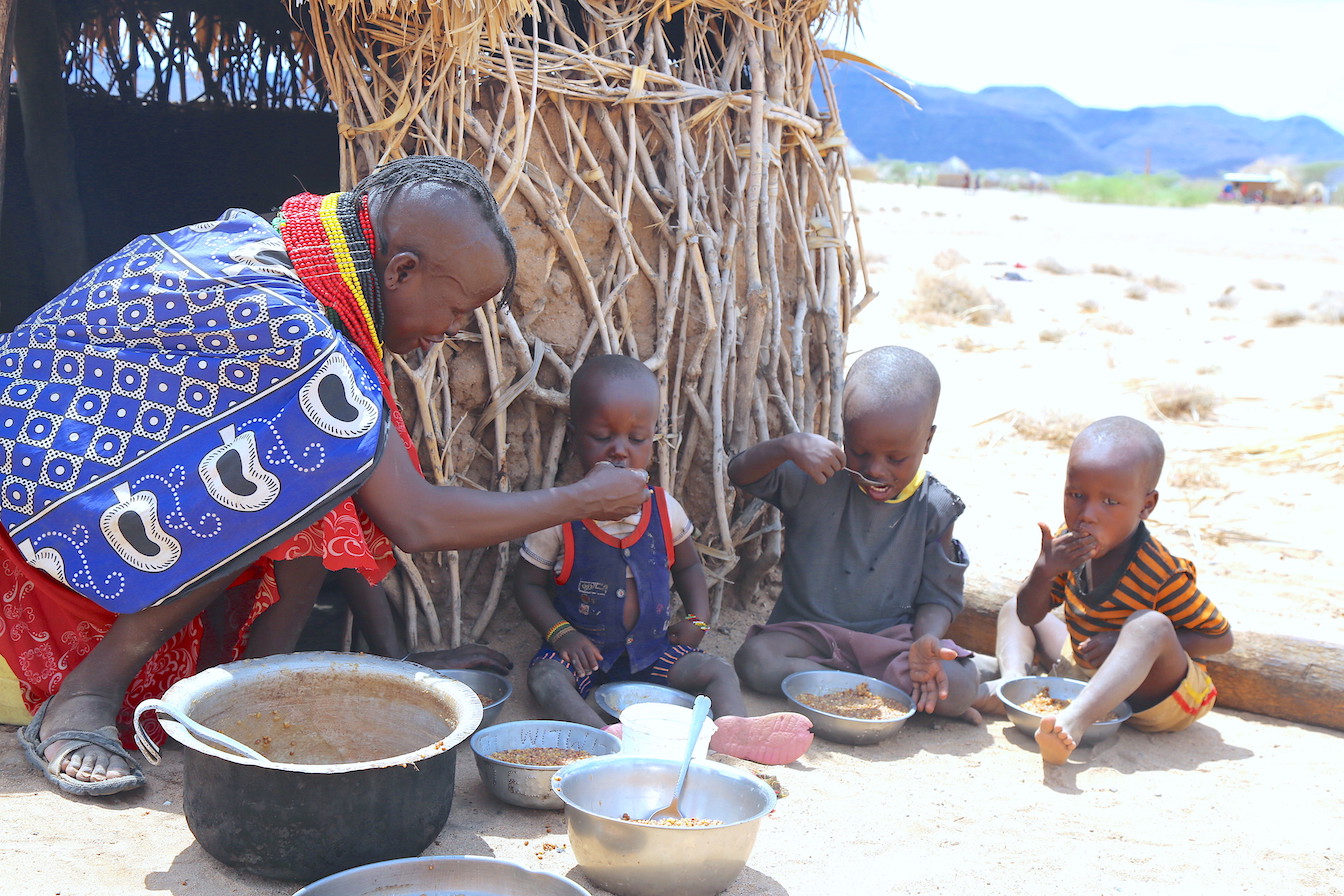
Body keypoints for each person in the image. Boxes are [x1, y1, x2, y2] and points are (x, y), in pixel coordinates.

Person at [1, 156, 650, 796]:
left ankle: (253, 688)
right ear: (400, 272)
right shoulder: (295, 330)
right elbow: (415, 519)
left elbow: (343, 493)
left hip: (46, 496)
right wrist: (579, 498)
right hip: (22, 540)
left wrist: (394, 663)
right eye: (455, 311)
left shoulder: (280, 248)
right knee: (304, 453)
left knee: (320, 465)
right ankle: (87, 693)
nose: (449, 334)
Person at [514, 355, 813, 765]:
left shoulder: (664, 509)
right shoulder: (558, 515)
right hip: (580, 655)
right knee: (546, 678)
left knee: (717, 671)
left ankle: (732, 730)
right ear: (575, 435)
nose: (620, 451)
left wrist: (699, 619)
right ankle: (602, 738)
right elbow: (527, 584)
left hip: (653, 653)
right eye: (602, 436)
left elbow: (689, 566)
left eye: (637, 439)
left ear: (653, 440)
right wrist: (562, 634)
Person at [729, 346, 980, 720]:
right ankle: (869, 692)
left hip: (890, 644)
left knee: (958, 684)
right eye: (860, 452)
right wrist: (787, 446)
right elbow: (740, 474)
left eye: (896, 459)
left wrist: (926, 639)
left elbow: (939, 596)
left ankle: (827, 687)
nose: (876, 470)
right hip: (806, 635)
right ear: (845, 432)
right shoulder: (818, 478)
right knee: (755, 659)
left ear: (927, 441)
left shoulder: (935, 507)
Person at [983, 416, 1233, 764]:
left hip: (1163, 696)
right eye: (1076, 495)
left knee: (1149, 626)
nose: (1087, 515)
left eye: (1110, 502)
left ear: (1146, 505)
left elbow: (1221, 638)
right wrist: (1044, 572)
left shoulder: (1160, 571)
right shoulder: (1068, 545)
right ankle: (1013, 687)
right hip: (1090, 671)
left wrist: (1123, 642)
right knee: (1015, 605)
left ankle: (1072, 723)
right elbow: (1029, 615)